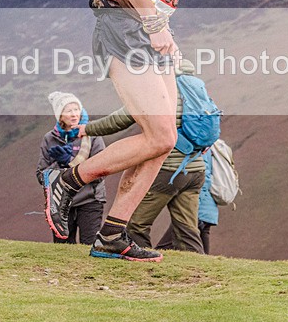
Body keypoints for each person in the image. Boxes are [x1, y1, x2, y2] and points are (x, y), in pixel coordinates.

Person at [42, 0, 240, 262]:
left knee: (161, 142)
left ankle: (113, 234)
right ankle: (71, 179)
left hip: (150, 36)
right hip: (124, 30)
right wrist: (152, 23)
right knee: (163, 134)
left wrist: (163, 28)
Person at [81, 59, 206, 254]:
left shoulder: (163, 94)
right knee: (187, 229)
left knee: (136, 224)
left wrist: (86, 129)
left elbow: (120, 119)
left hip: (166, 172)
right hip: (195, 171)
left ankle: (139, 261)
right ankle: (197, 269)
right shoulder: (200, 96)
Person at [37, 92, 106, 245]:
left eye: (77, 109)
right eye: (69, 111)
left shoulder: (92, 134)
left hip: (90, 200)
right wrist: (59, 164)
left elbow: (102, 170)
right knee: (62, 249)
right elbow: (42, 176)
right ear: (60, 116)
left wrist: (69, 163)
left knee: (90, 245)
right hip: (59, 203)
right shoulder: (50, 139)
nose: (74, 114)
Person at [156, 142, 220, 255]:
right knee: (200, 250)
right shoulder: (209, 146)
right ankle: (204, 270)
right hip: (209, 210)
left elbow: (203, 178)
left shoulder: (198, 147)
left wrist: (195, 206)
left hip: (197, 209)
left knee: (163, 247)